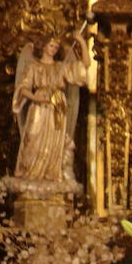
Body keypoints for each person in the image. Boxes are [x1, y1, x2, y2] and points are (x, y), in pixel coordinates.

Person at [12, 31, 90, 183]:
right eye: (51, 45)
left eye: (56, 47)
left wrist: (81, 42)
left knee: (55, 140)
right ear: (44, 46)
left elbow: (85, 65)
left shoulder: (61, 67)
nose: (54, 49)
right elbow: (24, 88)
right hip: (39, 107)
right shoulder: (34, 67)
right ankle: (31, 174)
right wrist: (37, 98)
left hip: (57, 106)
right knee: (32, 138)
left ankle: (50, 174)